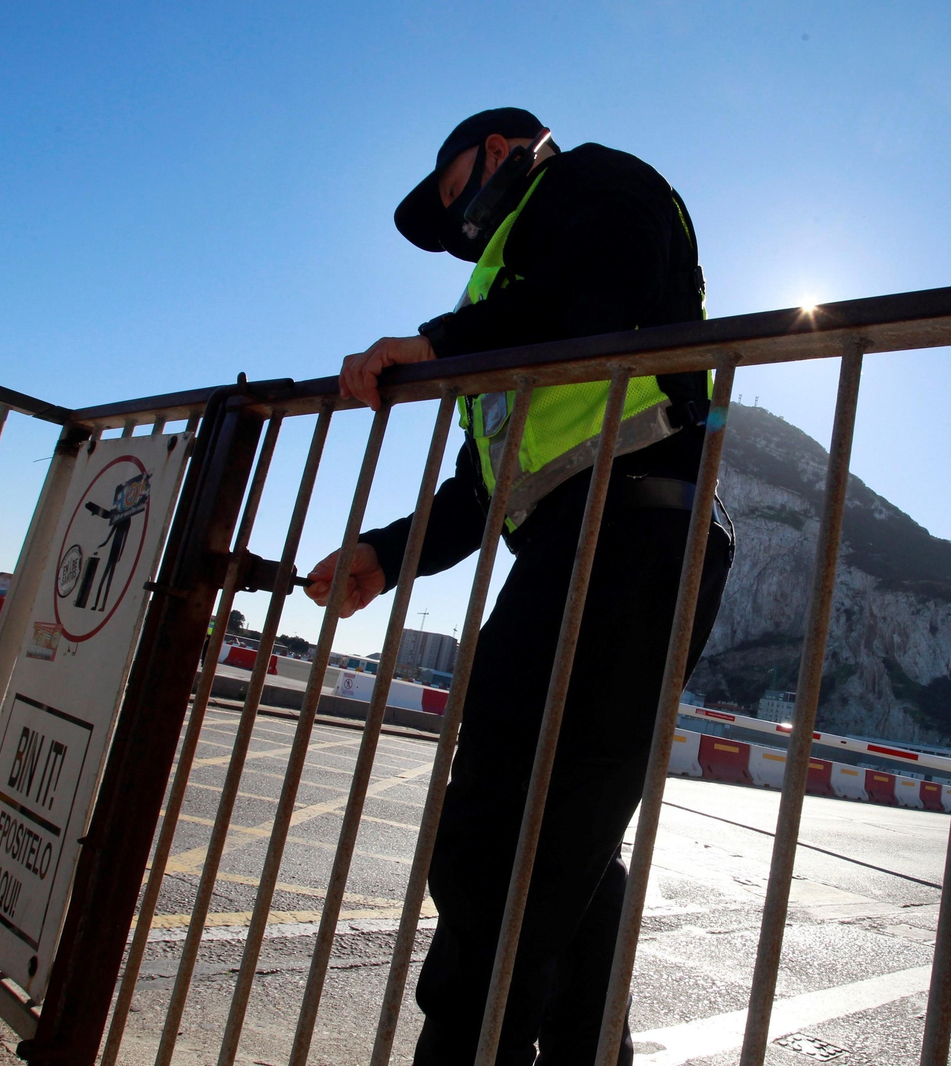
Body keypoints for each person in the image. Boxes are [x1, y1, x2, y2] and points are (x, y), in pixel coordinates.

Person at [306, 107, 732, 1066]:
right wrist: (387, 553)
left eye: (456, 193)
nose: (457, 223)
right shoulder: (504, 289)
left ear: (499, 150)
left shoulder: (596, 182)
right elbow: (481, 485)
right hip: (580, 541)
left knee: (499, 838)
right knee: (564, 849)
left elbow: (603, 292)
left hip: (633, 527)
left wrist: (436, 342)